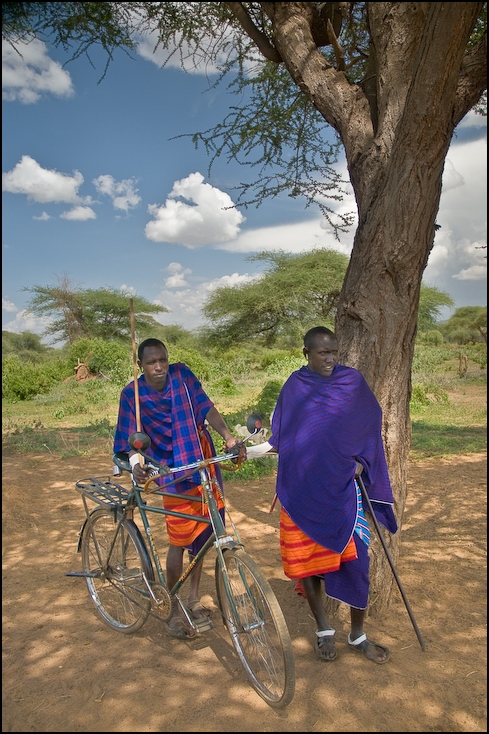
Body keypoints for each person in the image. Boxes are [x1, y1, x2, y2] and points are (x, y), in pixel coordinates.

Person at [247, 326, 398, 664]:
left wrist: (362, 461)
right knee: (310, 565)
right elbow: (283, 436)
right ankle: (324, 630)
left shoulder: (352, 382)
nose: (330, 359)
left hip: (343, 489)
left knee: (358, 562)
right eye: (322, 353)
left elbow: (370, 422)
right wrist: (253, 449)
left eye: (334, 352)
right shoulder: (295, 387)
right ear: (306, 353)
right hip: (302, 489)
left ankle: (358, 634)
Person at [113, 338, 243, 640]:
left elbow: (206, 406)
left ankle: (192, 599)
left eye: (163, 360)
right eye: (151, 362)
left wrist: (228, 436)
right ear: (140, 365)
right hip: (169, 472)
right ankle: (172, 608)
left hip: (200, 460)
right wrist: (136, 464)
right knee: (180, 538)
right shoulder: (131, 394)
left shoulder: (182, 376)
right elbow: (131, 437)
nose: (159, 367)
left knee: (205, 534)